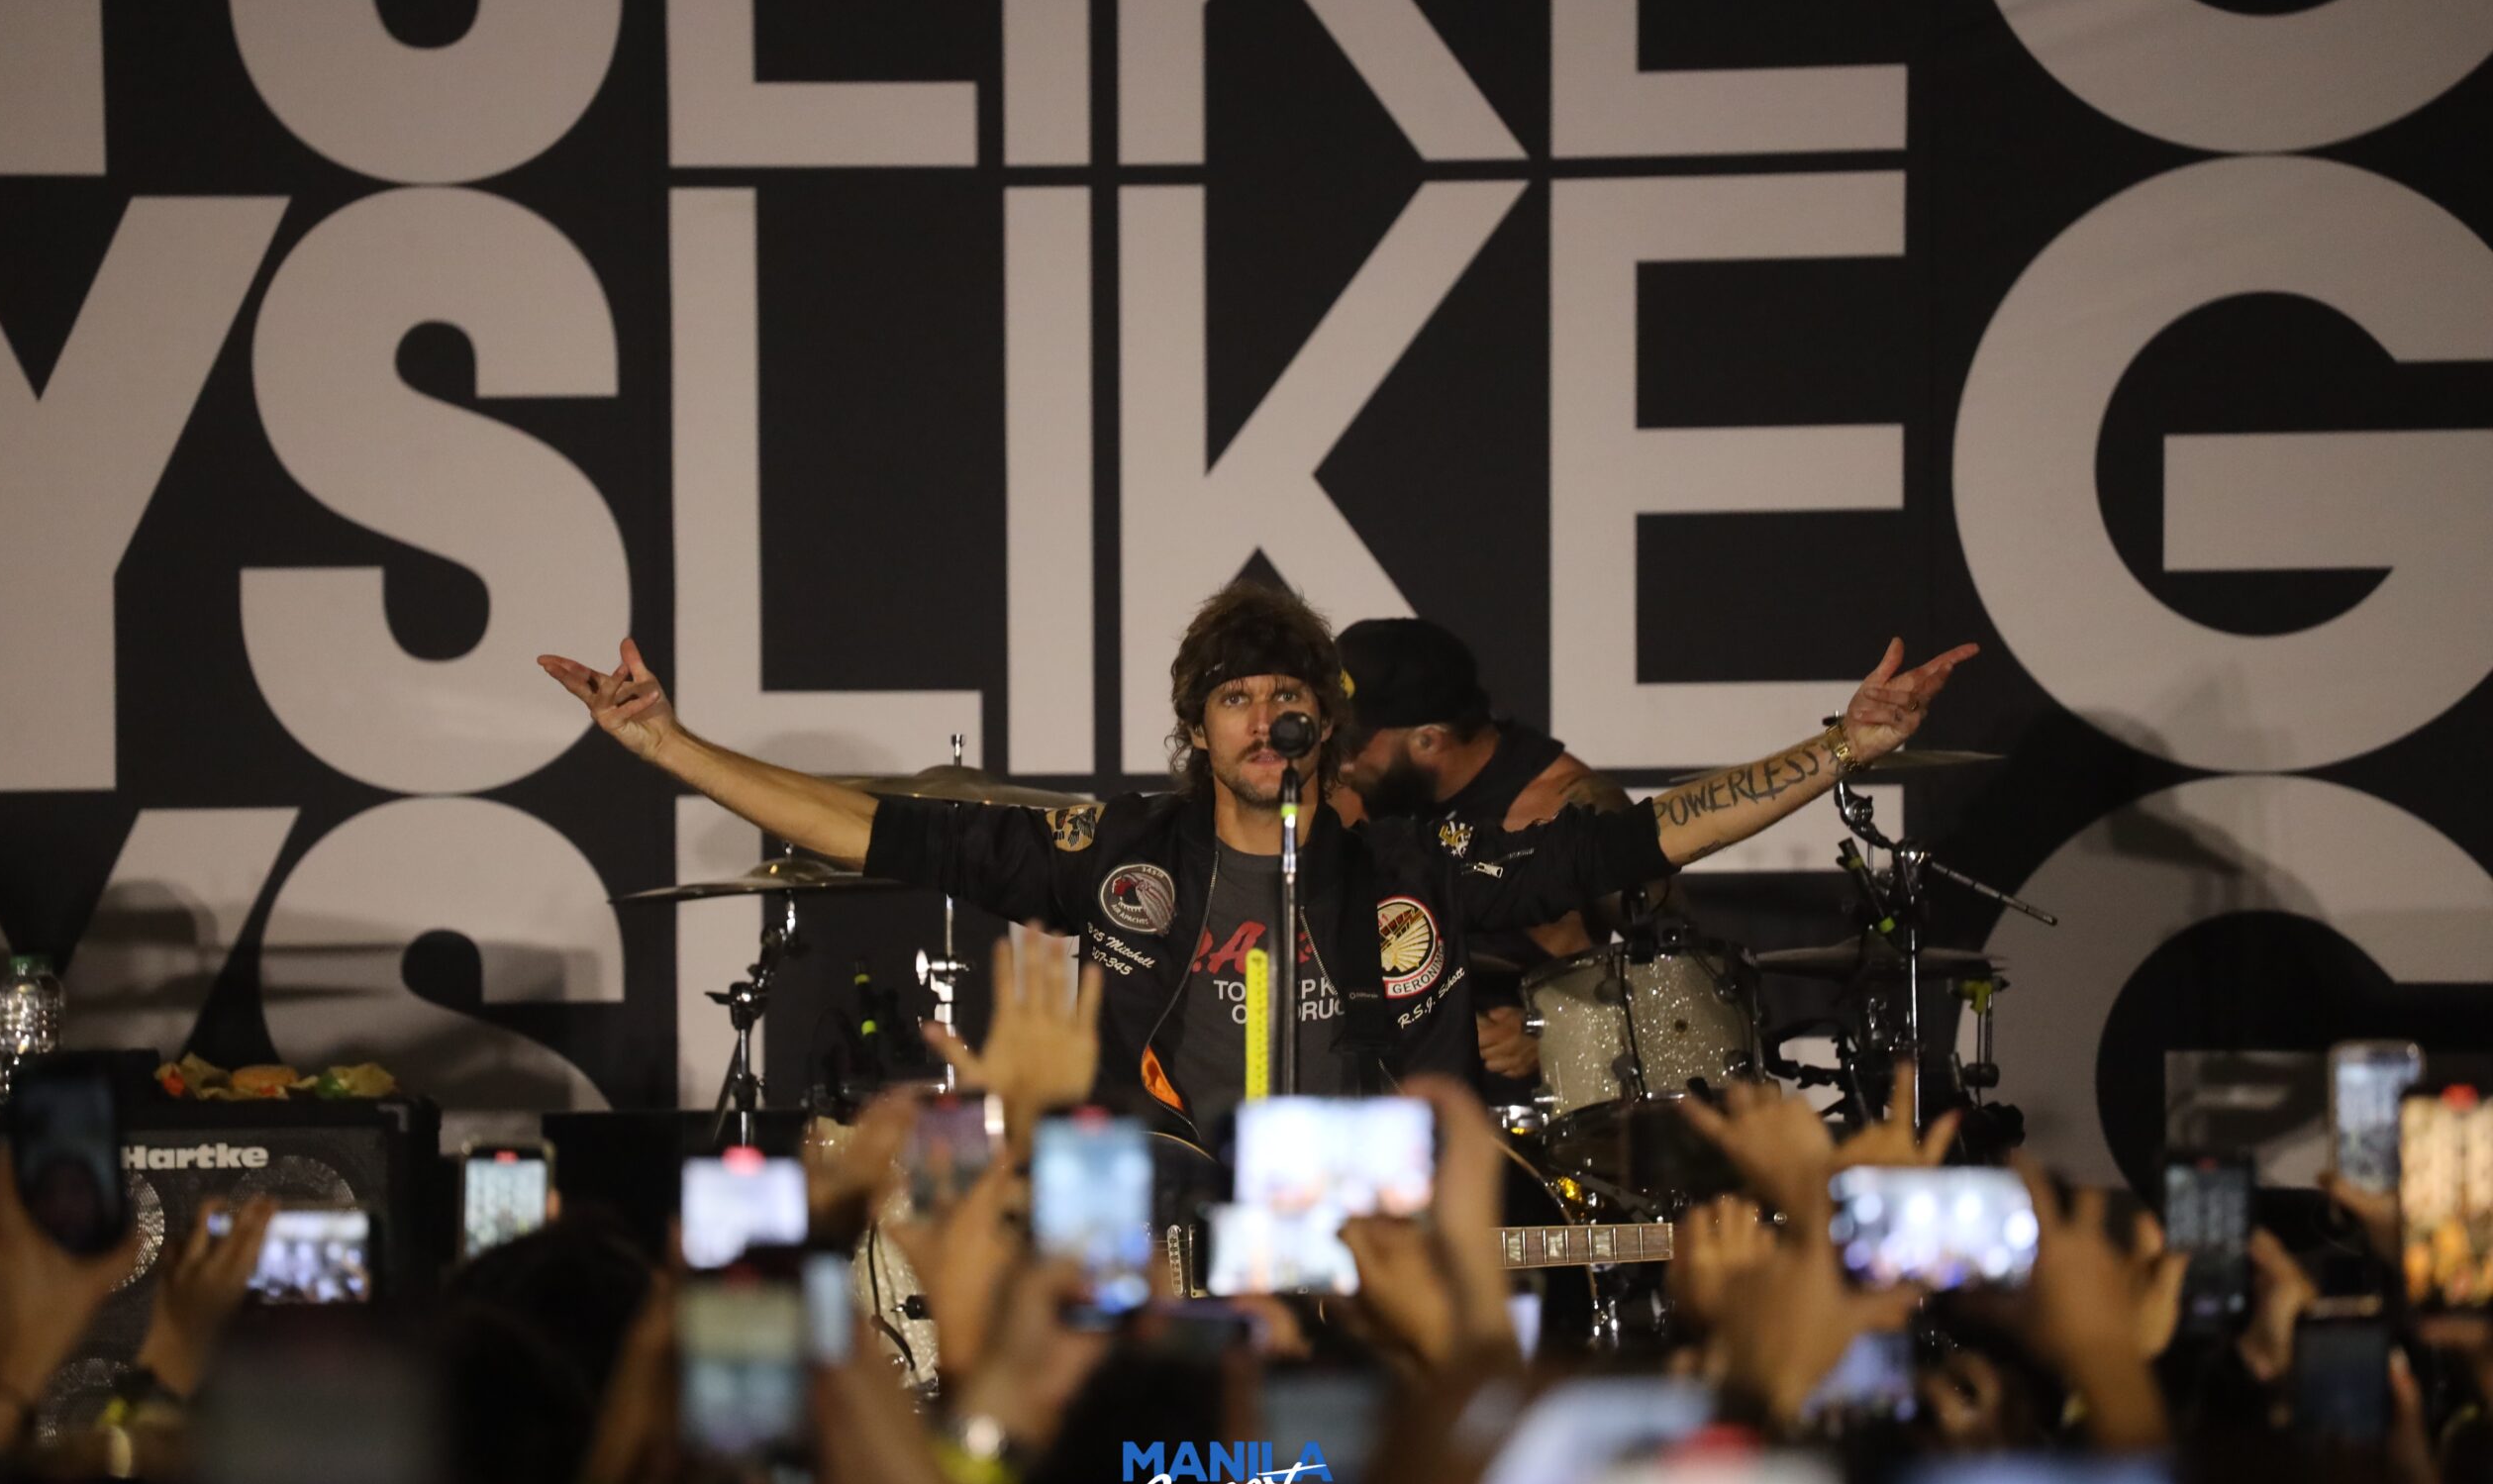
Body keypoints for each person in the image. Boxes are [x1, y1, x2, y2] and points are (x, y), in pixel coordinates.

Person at [538, 582, 1974, 1143]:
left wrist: (1840, 746)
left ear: (1323, 723)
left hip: (1377, 1214)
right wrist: (670, 745)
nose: (1265, 716)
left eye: (1290, 696)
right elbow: (879, 827)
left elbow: (1650, 831)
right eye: (1237, 697)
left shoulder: (1417, 866)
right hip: (1161, 1201)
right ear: (1199, 727)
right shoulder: (1119, 853)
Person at [1331, 617, 1640, 1104]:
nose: (1340, 762)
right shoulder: (1361, 792)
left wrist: (1559, 1029)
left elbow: (1682, 976)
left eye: (1351, 745)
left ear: (1428, 740)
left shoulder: (1563, 807)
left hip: (1527, 1107)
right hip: (1390, 1091)